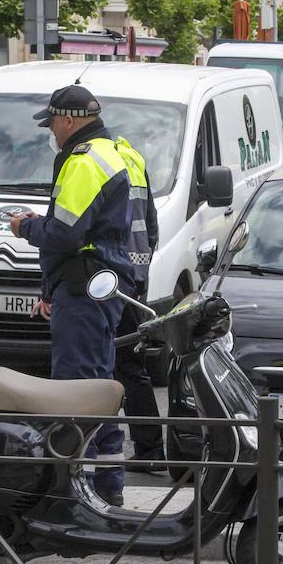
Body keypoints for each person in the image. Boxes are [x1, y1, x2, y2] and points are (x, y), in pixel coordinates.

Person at [9, 85, 136, 507]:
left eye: (53, 124)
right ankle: (109, 487)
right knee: (99, 388)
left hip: (85, 290)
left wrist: (25, 227)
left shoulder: (84, 163)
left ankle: (75, 492)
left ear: (68, 121)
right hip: (104, 286)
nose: (52, 133)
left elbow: (63, 234)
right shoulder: (120, 151)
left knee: (75, 393)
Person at [114, 137, 164, 466]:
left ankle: (148, 449)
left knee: (119, 366)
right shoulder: (132, 157)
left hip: (111, 281)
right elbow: (151, 226)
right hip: (134, 277)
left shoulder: (97, 162)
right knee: (129, 365)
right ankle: (148, 448)